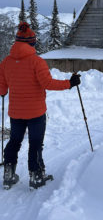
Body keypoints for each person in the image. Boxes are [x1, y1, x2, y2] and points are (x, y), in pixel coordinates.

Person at [0, 22, 81, 190]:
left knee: (15, 141)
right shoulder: (36, 62)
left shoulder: (6, 62)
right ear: (32, 43)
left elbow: (2, 88)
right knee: (35, 143)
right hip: (36, 112)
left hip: (15, 112)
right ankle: (36, 176)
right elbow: (48, 83)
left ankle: (8, 174)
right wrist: (70, 83)